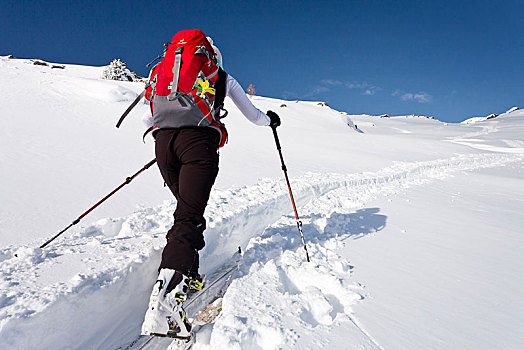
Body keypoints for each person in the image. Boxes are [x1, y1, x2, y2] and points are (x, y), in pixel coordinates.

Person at [141, 31, 281, 341]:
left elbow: (148, 114)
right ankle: (165, 303)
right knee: (188, 216)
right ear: (210, 56)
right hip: (199, 145)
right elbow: (254, 116)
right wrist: (271, 121)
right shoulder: (221, 76)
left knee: (186, 210)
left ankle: (188, 274)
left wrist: (169, 136)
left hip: (163, 145)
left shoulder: (160, 70)